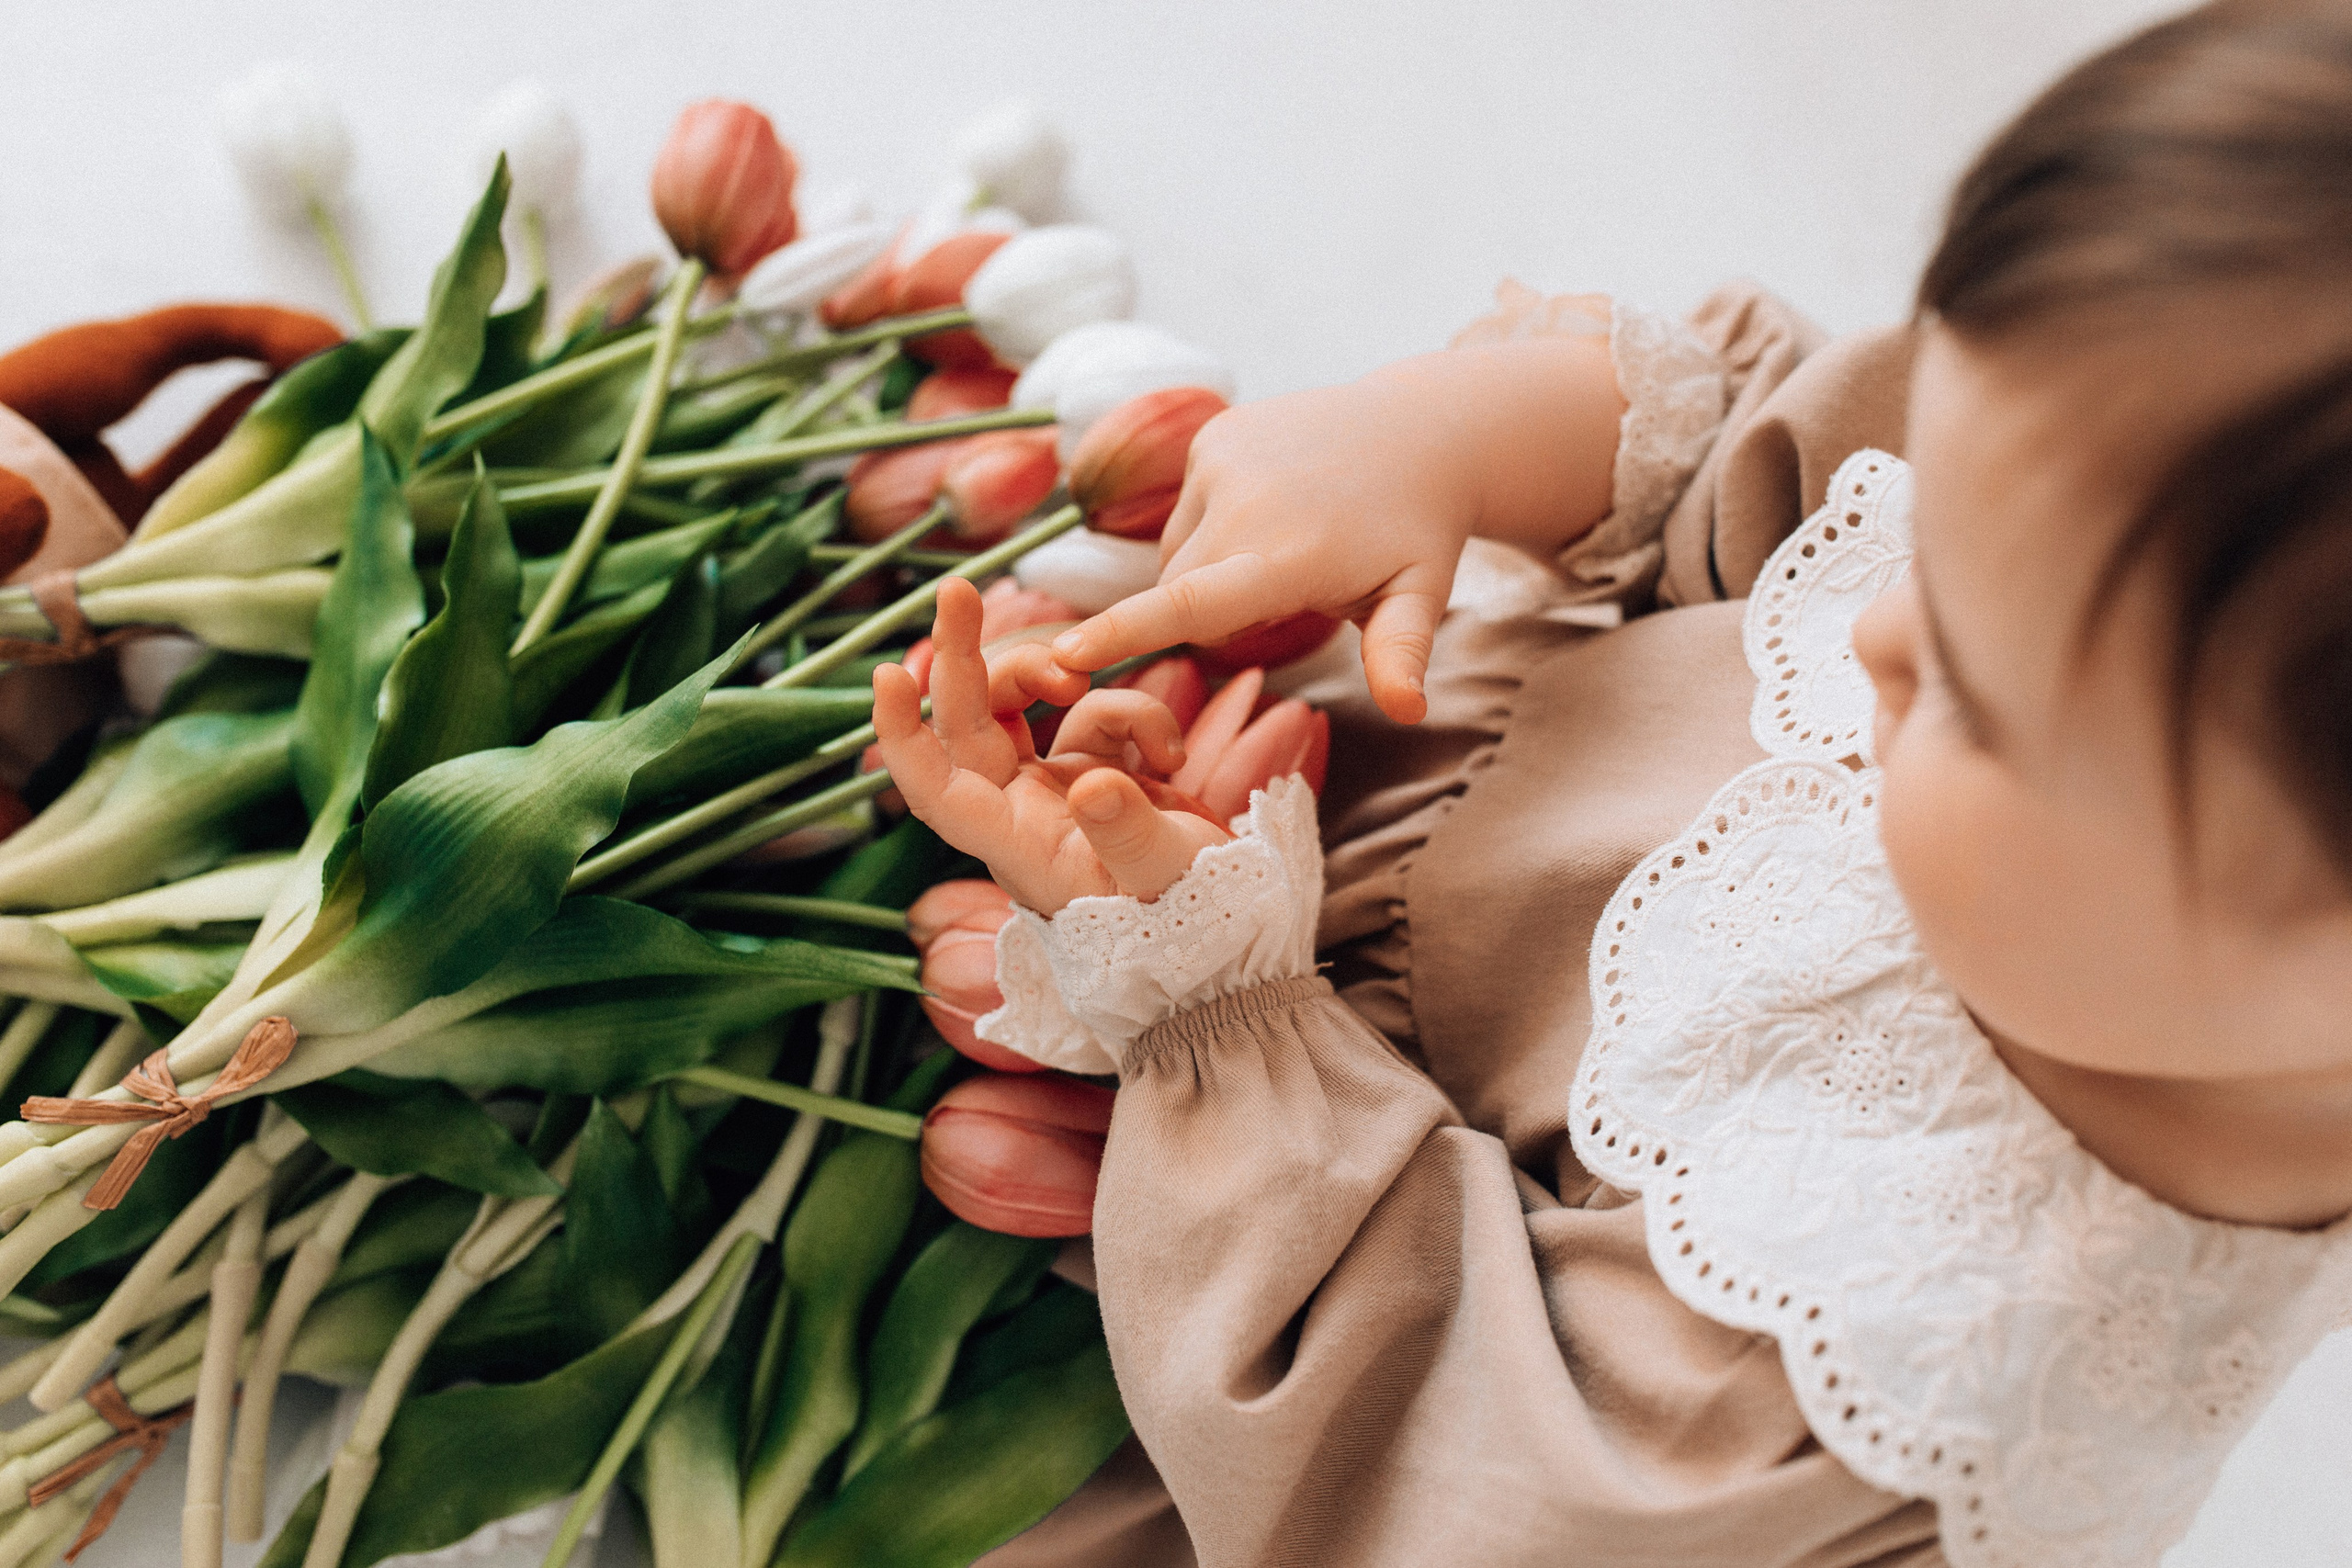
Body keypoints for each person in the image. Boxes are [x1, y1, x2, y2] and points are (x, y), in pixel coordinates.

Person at [880, 4, 2352, 1562]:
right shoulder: (2151, 499)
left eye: (1982, 697)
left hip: (1198, 1265)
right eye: (1939, 533)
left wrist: (1206, 1001)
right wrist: (1440, 441)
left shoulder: (1889, 1365)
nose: (1879, 622)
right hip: (1271, 817)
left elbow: (1387, 1452)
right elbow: (1757, 464)